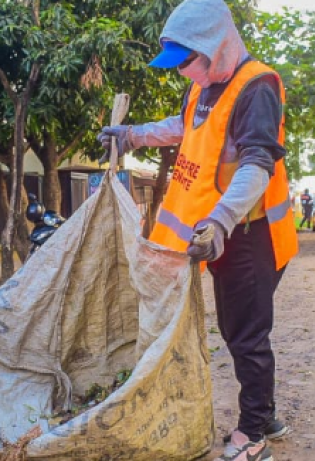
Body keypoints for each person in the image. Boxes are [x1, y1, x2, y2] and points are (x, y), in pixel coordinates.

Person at [97, 1, 299, 460]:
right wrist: (132, 135)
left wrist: (221, 220)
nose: (184, 72)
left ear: (215, 45)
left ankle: (254, 434)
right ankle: (264, 413)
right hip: (219, 232)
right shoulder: (205, 85)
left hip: (249, 233)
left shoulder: (256, 86)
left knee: (246, 333)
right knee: (233, 328)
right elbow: (184, 129)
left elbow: (257, 164)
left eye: (187, 61)